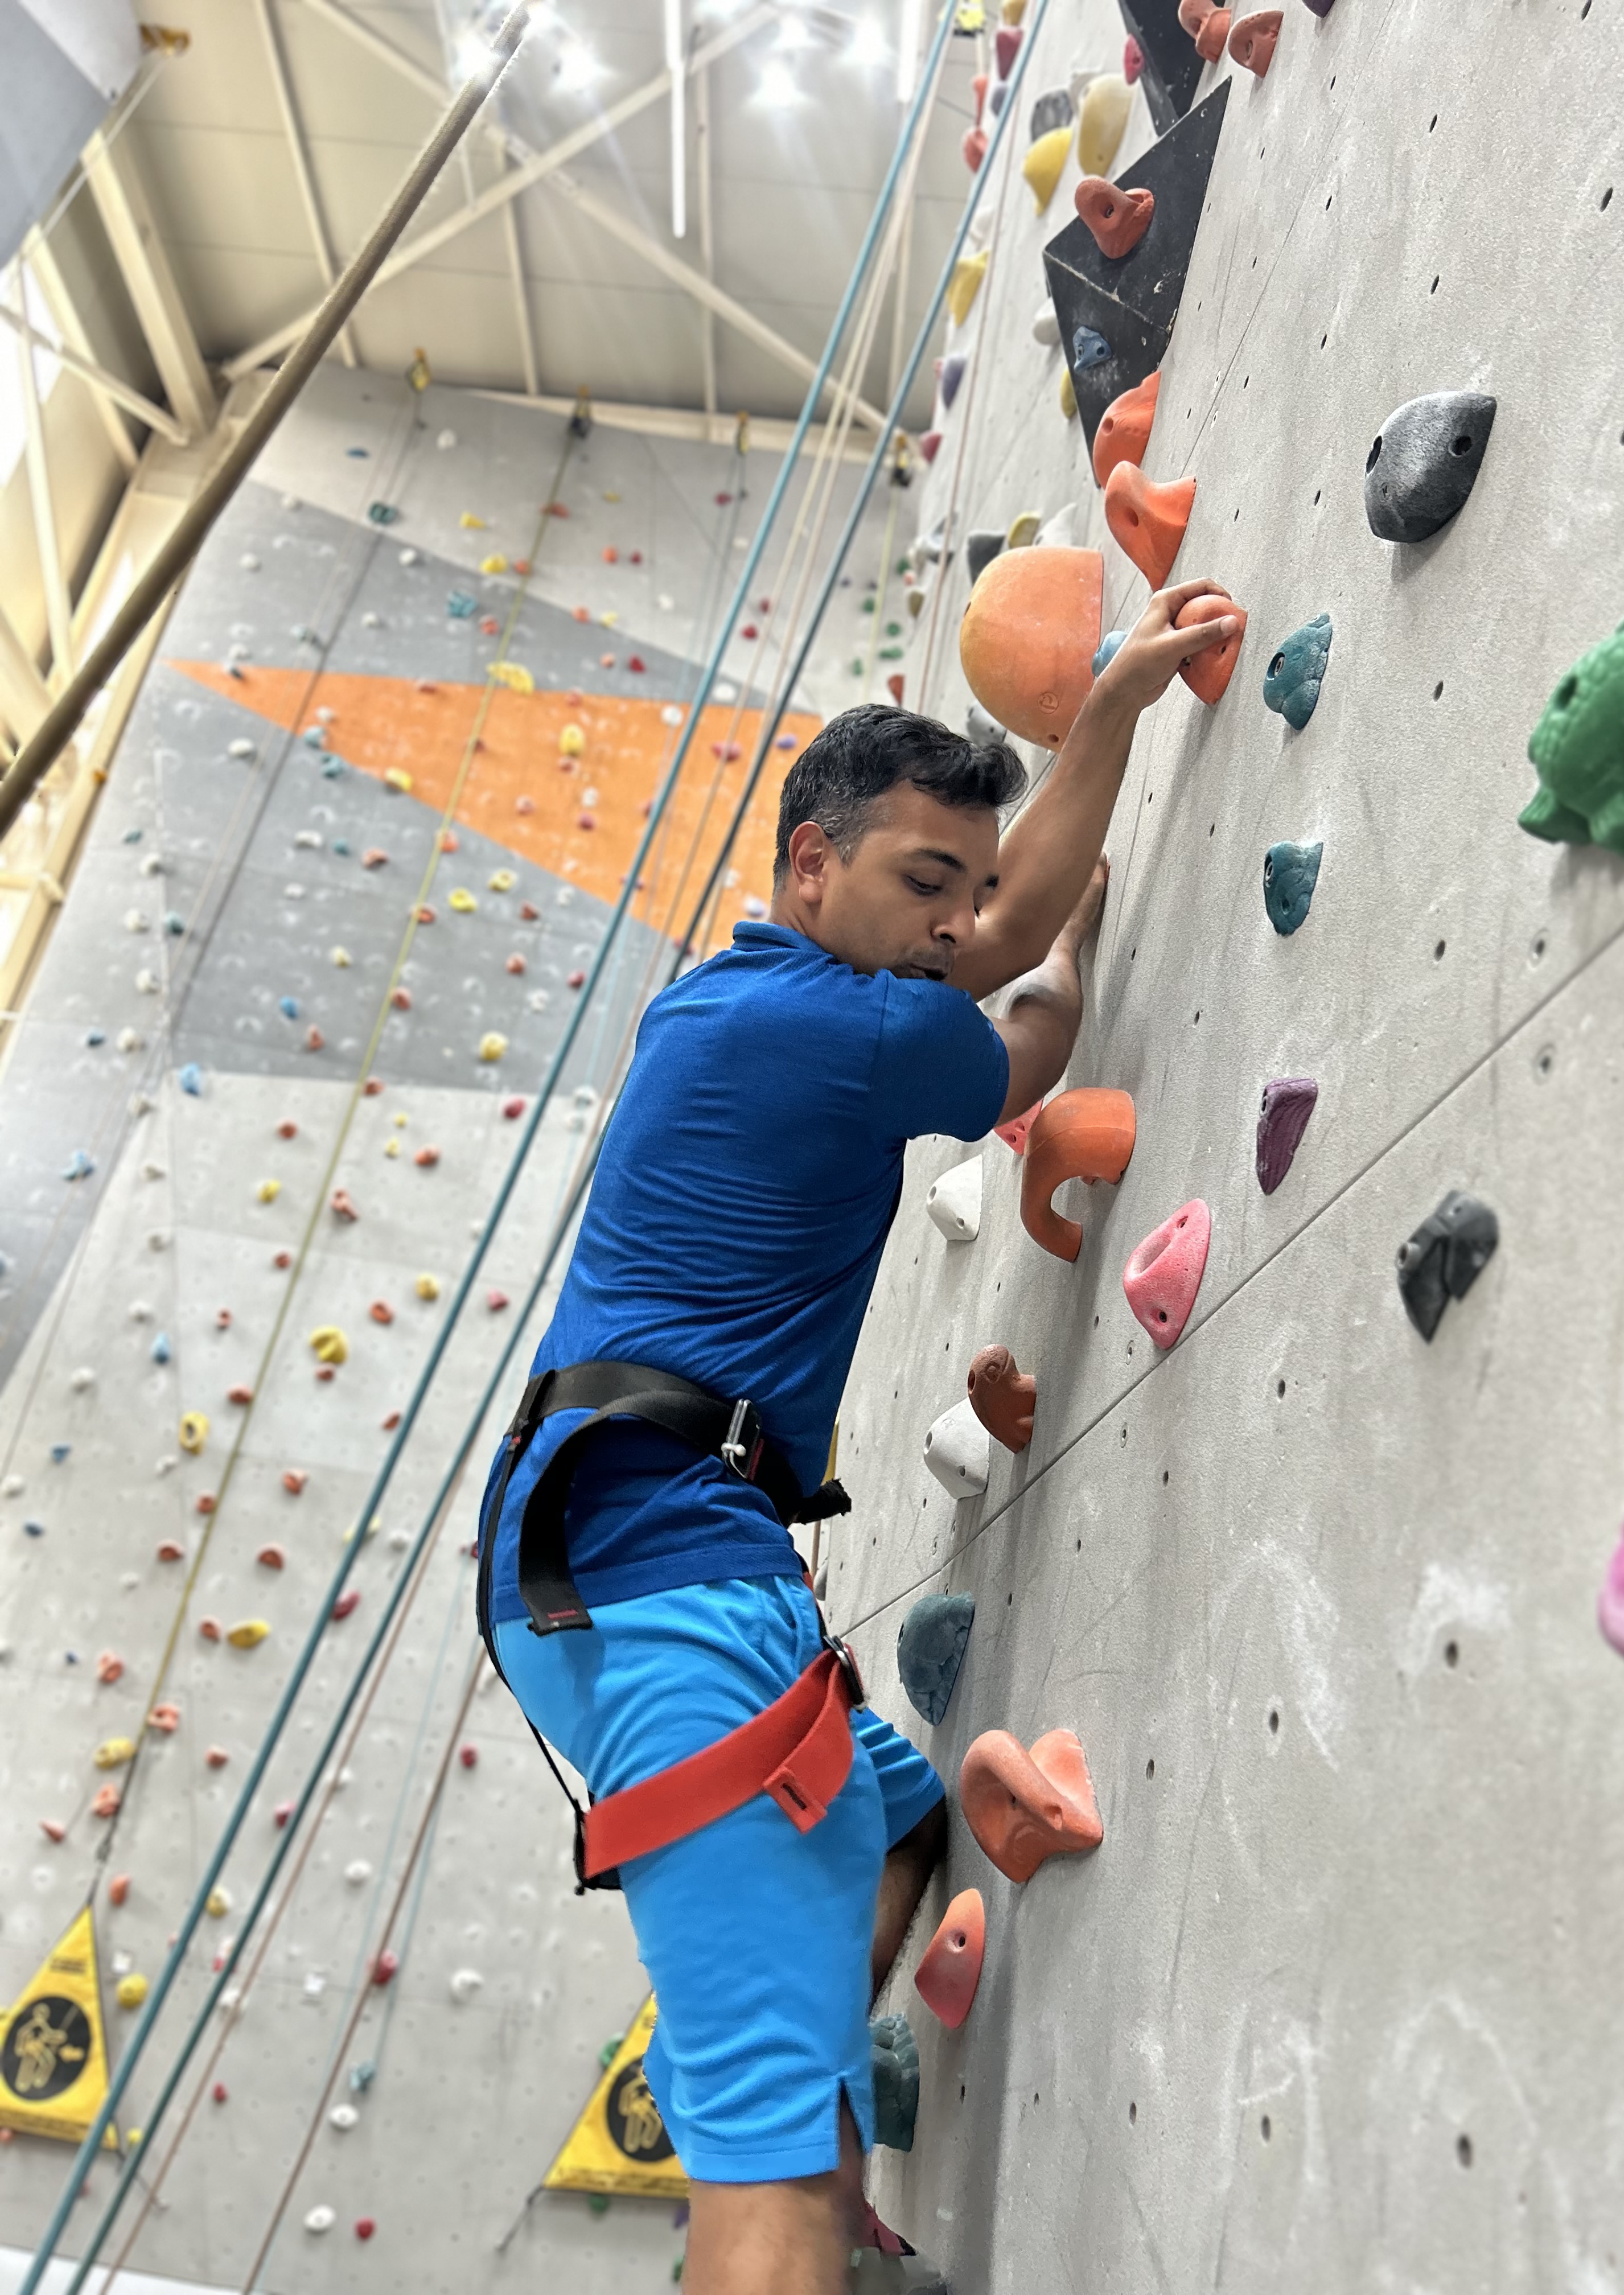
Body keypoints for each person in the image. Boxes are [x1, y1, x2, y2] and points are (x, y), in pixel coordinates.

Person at [478, 577, 1239, 2293]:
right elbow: (1026, 1029)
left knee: (895, 1821)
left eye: (963, 891)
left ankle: (787, 2110)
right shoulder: (837, 1024)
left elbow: (999, 930)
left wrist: (1019, 896)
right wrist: (1105, 734)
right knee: (774, 2191)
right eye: (920, 886)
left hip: (629, 1559)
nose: (953, 924)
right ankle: (784, 2193)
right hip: (661, 1577)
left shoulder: (735, 1000)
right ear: (806, 864)